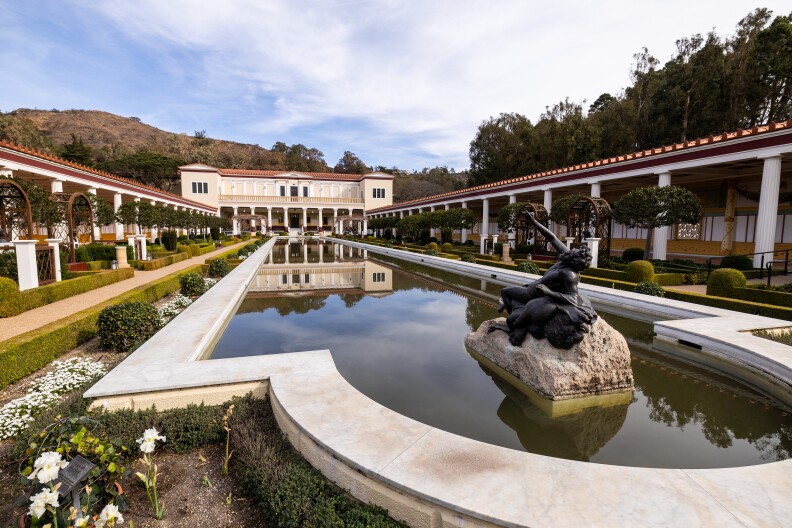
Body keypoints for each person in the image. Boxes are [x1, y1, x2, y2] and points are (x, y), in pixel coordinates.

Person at [491, 213, 597, 349]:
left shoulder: (569, 275)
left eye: (575, 252)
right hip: (531, 288)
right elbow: (551, 237)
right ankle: (513, 312)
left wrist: (548, 292)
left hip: (532, 294)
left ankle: (517, 324)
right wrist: (534, 222)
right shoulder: (566, 257)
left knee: (505, 292)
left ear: (575, 260)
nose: (572, 250)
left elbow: (573, 297)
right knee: (511, 295)